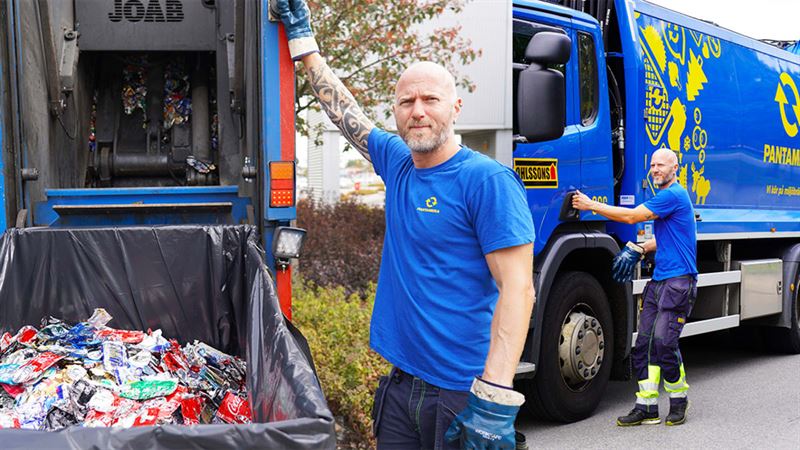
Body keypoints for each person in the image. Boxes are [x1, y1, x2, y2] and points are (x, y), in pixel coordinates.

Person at [274, 1, 536, 448]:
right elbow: (345, 112)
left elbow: (518, 289)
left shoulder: (487, 181)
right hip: (400, 386)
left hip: (461, 392)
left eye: (430, 100)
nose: (418, 110)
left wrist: (493, 400)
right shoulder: (397, 163)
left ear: (455, 107)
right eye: (406, 101)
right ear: (395, 111)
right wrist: (303, 41)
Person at [572, 148, 697, 427]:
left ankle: (679, 401)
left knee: (665, 343)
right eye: (652, 165)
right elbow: (670, 240)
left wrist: (592, 204)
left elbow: (631, 218)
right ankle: (647, 406)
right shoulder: (665, 198)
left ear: (675, 168)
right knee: (643, 345)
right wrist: (641, 247)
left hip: (679, 281)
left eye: (661, 165)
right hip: (660, 280)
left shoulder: (673, 195)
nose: (655, 169)